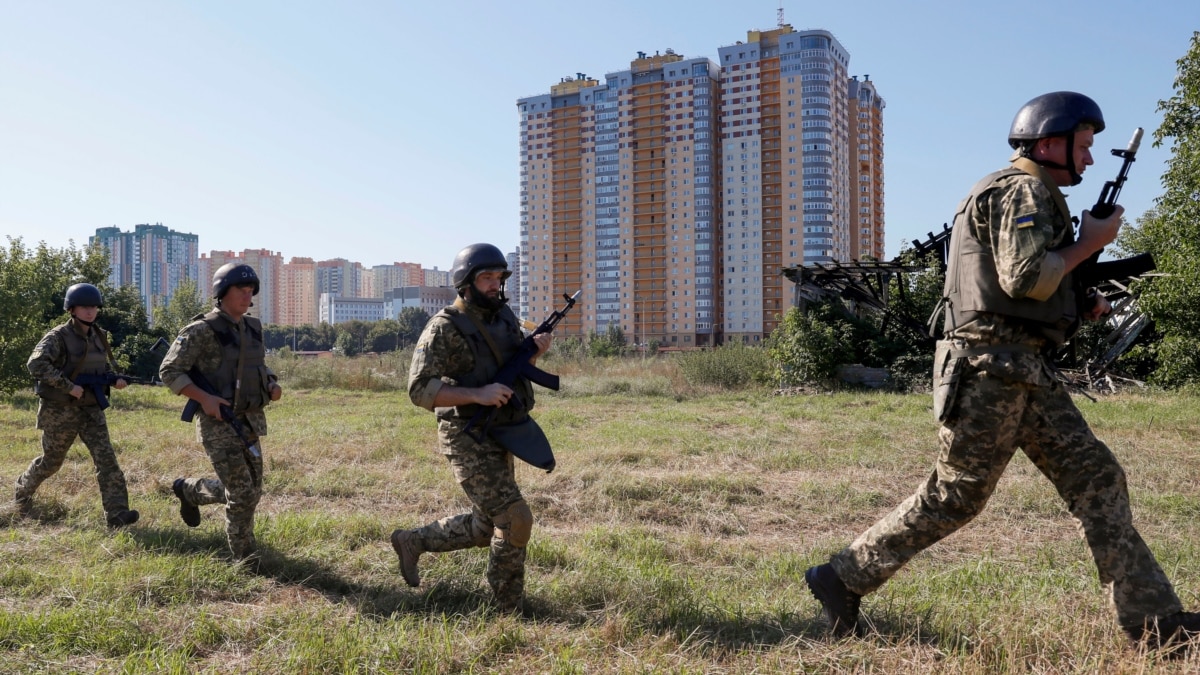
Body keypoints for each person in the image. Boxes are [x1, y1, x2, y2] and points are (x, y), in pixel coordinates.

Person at [805, 92, 1200, 650]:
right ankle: (839, 578)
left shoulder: (1029, 192)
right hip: (990, 371)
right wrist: (1091, 242)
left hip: (1022, 370)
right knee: (954, 496)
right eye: (1083, 148)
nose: (1088, 160)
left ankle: (1154, 624)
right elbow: (1026, 278)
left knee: (1098, 477)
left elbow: (1028, 287)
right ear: (1048, 143)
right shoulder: (1022, 190)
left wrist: (1078, 297)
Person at [391, 243, 552, 613]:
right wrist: (477, 394)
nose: (496, 285)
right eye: (487, 278)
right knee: (515, 518)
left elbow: (507, 363)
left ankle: (411, 542)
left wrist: (535, 352)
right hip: (466, 433)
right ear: (466, 283)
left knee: (485, 525)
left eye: (499, 277)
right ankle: (506, 610)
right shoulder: (444, 327)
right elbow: (419, 390)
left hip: (503, 429)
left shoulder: (504, 317)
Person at [159, 263, 282, 569]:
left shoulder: (252, 328)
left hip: (249, 420)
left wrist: (271, 382)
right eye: (240, 289)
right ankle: (246, 560)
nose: (247, 294)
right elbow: (169, 370)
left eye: (250, 289)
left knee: (251, 490)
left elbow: (256, 366)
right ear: (222, 293)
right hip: (217, 421)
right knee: (242, 493)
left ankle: (189, 491)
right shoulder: (200, 330)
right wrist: (205, 399)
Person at [13, 283, 140, 528]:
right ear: (72, 309)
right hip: (61, 411)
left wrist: (115, 380)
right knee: (52, 462)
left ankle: (117, 515)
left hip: (91, 409)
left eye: (93, 306)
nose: (90, 311)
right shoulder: (58, 336)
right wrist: (67, 386)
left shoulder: (99, 336)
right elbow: (35, 365)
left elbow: (98, 369)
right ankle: (22, 491)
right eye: (84, 307)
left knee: (108, 462)